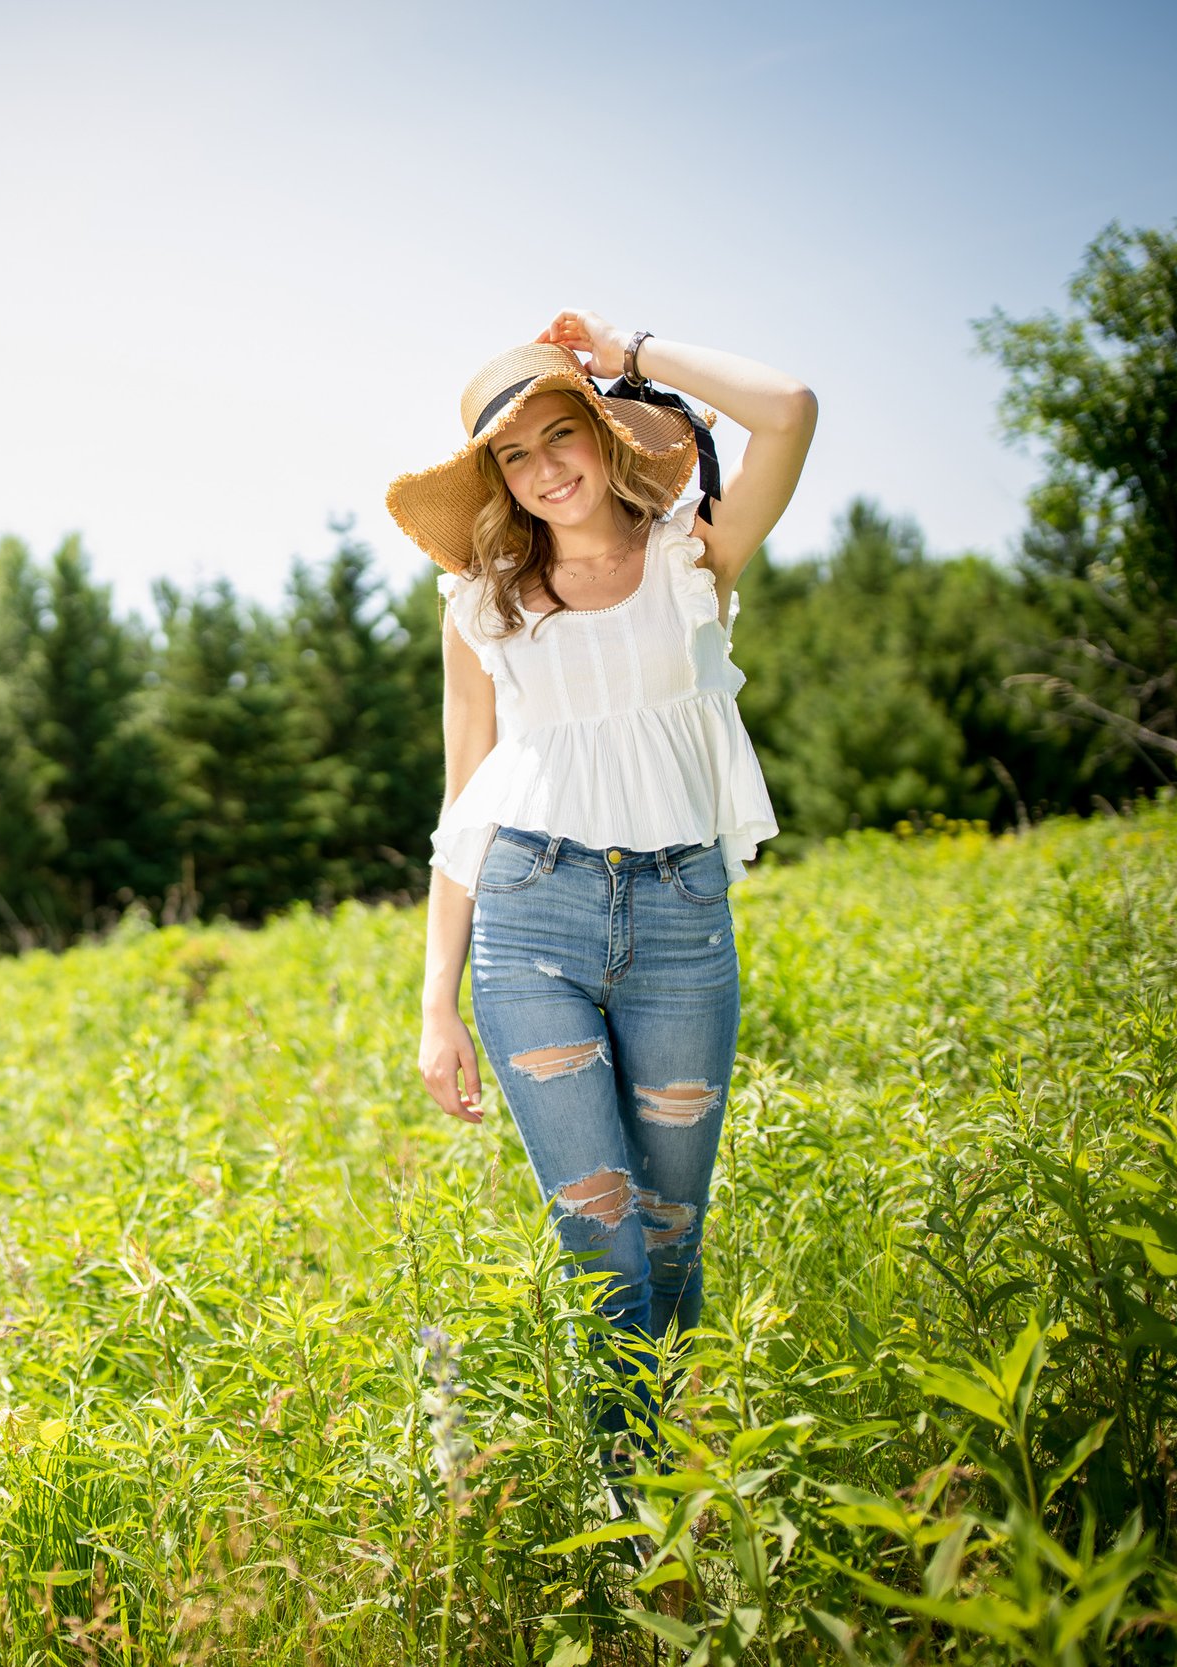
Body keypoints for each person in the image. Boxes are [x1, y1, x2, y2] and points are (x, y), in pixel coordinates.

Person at [389, 313, 815, 1447]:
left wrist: (629, 351)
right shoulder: (479, 603)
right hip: (532, 920)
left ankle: (680, 1475)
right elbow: (461, 798)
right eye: (512, 457)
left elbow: (788, 408)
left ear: (599, 428)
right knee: (602, 1234)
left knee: (673, 1232)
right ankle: (634, 1515)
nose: (543, 471)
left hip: (680, 923)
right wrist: (435, 1001)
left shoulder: (693, 554)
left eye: (556, 434)